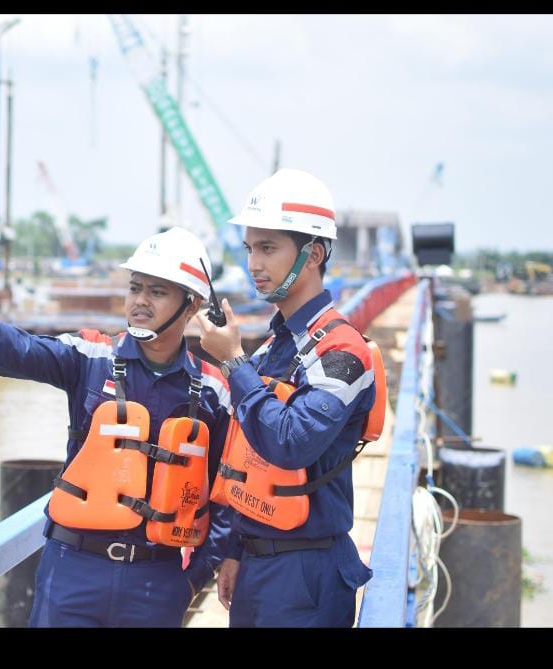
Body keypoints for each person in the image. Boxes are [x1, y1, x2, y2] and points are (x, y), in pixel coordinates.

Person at [0, 226, 232, 627]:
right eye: (135, 288)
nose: (140, 301)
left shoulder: (213, 391)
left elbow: (227, 493)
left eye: (157, 291)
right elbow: (16, 351)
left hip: (159, 581)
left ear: (192, 305)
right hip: (72, 571)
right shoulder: (91, 355)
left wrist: (193, 578)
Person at [195, 168, 377, 627]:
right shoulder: (278, 345)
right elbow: (248, 452)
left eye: (268, 248)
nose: (253, 264)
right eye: (250, 248)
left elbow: (290, 442)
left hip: (308, 571)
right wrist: (236, 548)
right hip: (258, 562)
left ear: (313, 254)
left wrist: (234, 362)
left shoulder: (342, 351)